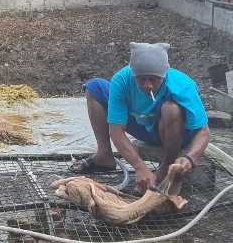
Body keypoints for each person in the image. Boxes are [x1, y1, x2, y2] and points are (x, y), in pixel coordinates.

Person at [70, 42, 210, 194]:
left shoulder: (183, 85)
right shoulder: (122, 80)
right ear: (133, 73)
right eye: (141, 79)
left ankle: (164, 170)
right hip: (144, 124)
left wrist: (190, 158)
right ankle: (104, 154)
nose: (148, 85)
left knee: (171, 109)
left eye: (154, 79)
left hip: (176, 132)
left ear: (164, 74)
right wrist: (139, 166)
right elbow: (116, 130)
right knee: (95, 87)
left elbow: (203, 131)